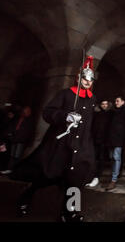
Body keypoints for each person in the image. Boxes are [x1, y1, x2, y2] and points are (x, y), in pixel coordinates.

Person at [11, 56, 97, 222]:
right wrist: (65, 116)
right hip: (61, 145)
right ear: (78, 78)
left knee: (76, 179)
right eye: (84, 78)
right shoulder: (65, 94)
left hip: (80, 146)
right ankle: (27, 194)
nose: (87, 81)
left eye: (90, 79)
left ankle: (69, 213)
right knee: (48, 176)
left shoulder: (92, 99)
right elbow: (48, 112)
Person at [104, 96, 125, 191]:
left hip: (119, 139)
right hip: (110, 139)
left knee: (116, 158)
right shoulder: (112, 112)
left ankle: (113, 180)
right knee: (112, 158)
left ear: (123, 102)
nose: (116, 102)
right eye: (115, 101)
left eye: (118, 101)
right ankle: (114, 175)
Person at [86, 100, 111, 188]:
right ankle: (91, 175)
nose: (104, 106)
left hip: (104, 141)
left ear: (108, 105)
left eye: (105, 104)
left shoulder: (110, 115)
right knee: (93, 157)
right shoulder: (96, 114)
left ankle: (97, 176)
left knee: (101, 158)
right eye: (103, 104)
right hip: (94, 139)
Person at [6, 106, 34, 172]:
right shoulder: (18, 118)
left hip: (21, 140)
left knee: (17, 156)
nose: (24, 113)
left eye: (26, 111)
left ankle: (13, 170)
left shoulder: (30, 121)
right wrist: (11, 135)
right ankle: (9, 169)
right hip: (14, 139)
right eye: (24, 111)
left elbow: (28, 132)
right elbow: (13, 127)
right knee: (12, 155)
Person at [0, 109, 17, 174]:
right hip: (2, 141)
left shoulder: (10, 121)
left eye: (12, 114)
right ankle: (2, 169)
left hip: (4, 141)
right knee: (3, 155)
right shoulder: (5, 121)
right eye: (10, 114)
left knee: (3, 155)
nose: (11, 115)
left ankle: (2, 169)